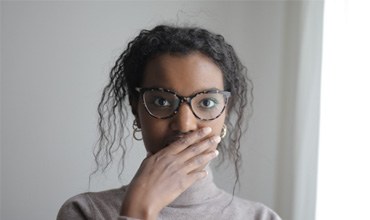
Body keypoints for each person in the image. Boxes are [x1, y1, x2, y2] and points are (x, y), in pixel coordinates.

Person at [57, 25, 281, 220]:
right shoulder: (85, 213)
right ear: (136, 108)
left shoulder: (261, 218)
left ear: (226, 111)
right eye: (162, 100)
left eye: (207, 103)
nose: (184, 125)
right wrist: (137, 211)